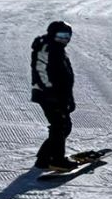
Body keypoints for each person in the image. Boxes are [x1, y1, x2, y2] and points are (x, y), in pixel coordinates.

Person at [30, 20, 77, 170]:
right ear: (52, 34)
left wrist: (69, 98)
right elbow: (41, 71)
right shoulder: (46, 47)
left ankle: (44, 158)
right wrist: (51, 94)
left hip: (58, 95)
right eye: (61, 36)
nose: (64, 39)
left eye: (67, 36)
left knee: (63, 126)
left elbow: (65, 77)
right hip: (47, 94)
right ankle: (56, 160)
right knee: (60, 126)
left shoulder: (58, 49)